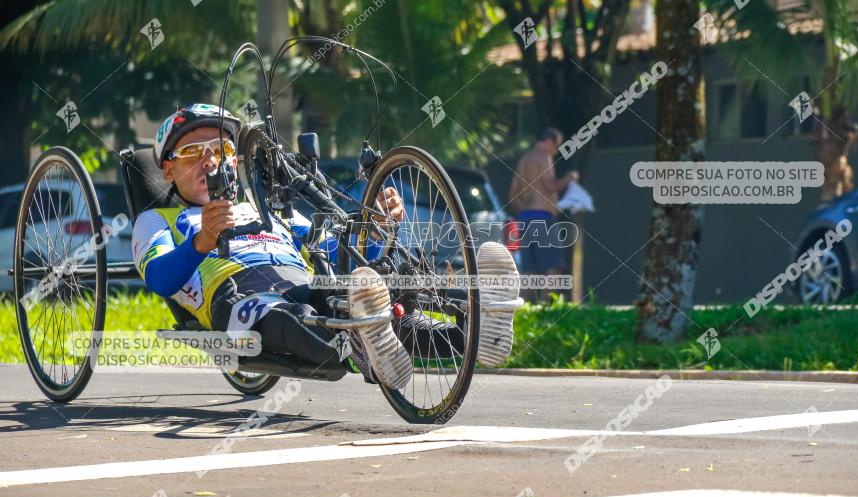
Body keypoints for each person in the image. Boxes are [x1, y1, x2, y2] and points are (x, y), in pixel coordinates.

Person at [132, 104, 518, 388]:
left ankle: (475, 332)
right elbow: (160, 278)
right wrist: (202, 241)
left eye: (222, 152)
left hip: (305, 283)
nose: (210, 162)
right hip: (241, 298)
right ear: (167, 169)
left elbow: (335, 252)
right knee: (302, 318)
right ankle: (364, 341)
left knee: (367, 302)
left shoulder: (263, 209)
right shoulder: (158, 220)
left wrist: (375, 227)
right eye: (193, 153)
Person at [508, 128, 579, 302]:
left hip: (525, 218)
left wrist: (526, 212)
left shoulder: (524, 160)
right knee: (553, 266)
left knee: (529, 269)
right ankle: (546, 306)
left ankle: (523, 308)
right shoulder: (543, 157)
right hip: (543, 217)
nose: (556, 150)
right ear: (548, 141)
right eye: (557, 145)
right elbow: (550, 186)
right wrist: (570, 177)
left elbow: (512, 196)